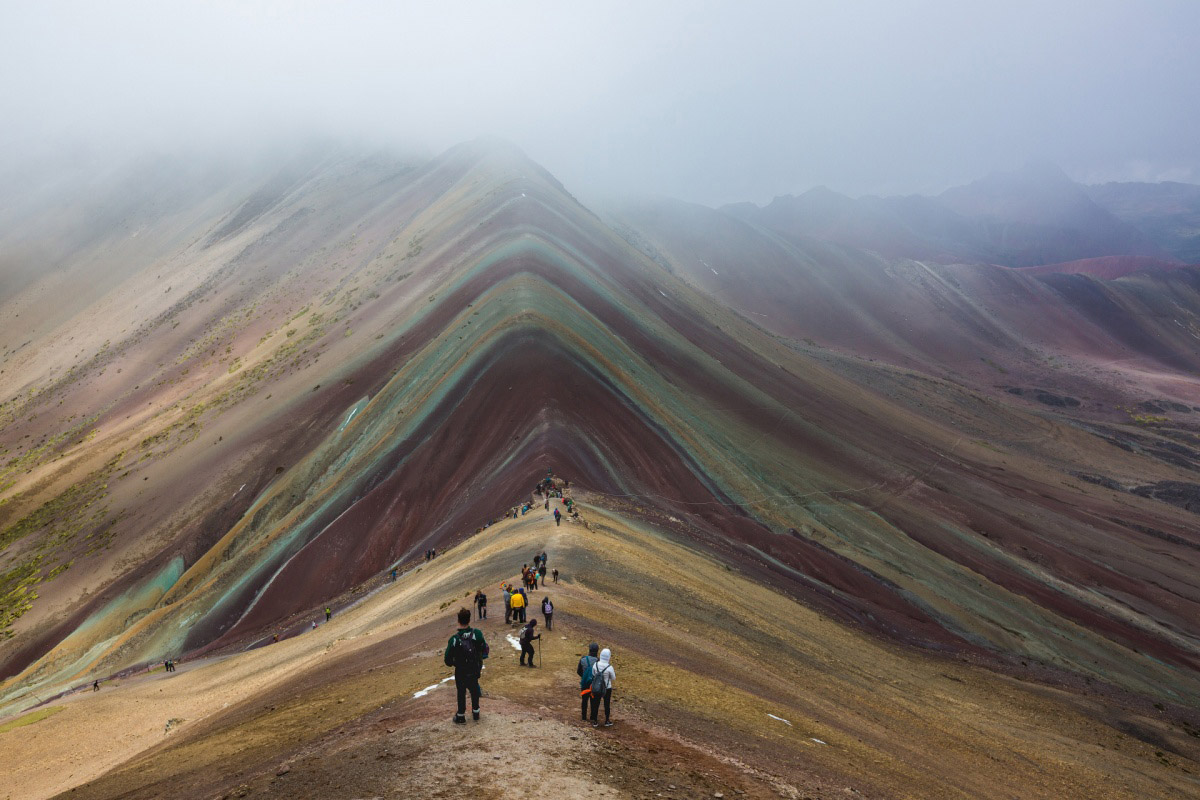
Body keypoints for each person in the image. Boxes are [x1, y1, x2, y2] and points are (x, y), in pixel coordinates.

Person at [444, 608, 488, 723]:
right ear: (469, 620)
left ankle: (461, 715)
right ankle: (476, 712)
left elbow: (447, 660)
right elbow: (484, 648)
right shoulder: (477, 634)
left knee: (461, 692)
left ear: (458, 621)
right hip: (474, 668)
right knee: (474, 689)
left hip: (461, 670)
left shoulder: (454, 639)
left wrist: (454, 662)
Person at [589, 648, 615, 727]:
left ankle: (595, 721)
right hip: (607, 688)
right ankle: (607, 720)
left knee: (596, 704)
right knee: (606, 704)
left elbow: (593, 674)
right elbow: (613, 678)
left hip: (596, 687)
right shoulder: (609, 667)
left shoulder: (595, 664)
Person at [577, 643, 599, 721]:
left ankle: (583, 717)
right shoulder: (598, 661)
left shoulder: (583, 659)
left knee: (584, 700)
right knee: (593, 700)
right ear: (597, 651)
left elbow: (578, 671)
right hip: (594, 684)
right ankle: (592, 717)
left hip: (584, 683)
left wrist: (584, 677)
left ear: (589, 650)